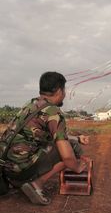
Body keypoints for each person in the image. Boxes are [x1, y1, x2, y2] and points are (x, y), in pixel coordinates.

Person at [2, 71, 89, 205]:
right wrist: (77, 166)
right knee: (70, 149)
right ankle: (36, 185)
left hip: (4, 167)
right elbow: (67, 156)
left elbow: (44, 135)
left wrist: (77, 138)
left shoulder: (31, 105)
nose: (65, 94)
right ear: (59, 91)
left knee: (64, 143)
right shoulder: (53, 112)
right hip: (19, 169)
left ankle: (17, 181)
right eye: (64, 90)